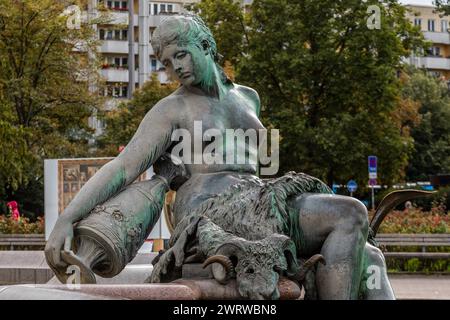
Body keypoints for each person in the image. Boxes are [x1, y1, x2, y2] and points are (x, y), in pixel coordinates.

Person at [46, 14, 393, 299]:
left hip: (262, 203)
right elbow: (122, 167)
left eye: (180, 54)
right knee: (351, 212)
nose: (174, 68)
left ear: (206, 45)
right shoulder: (172, 109)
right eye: (167, 63)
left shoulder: (248, 97)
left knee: (369, 257)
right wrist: (67, 218)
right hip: (209, 211)